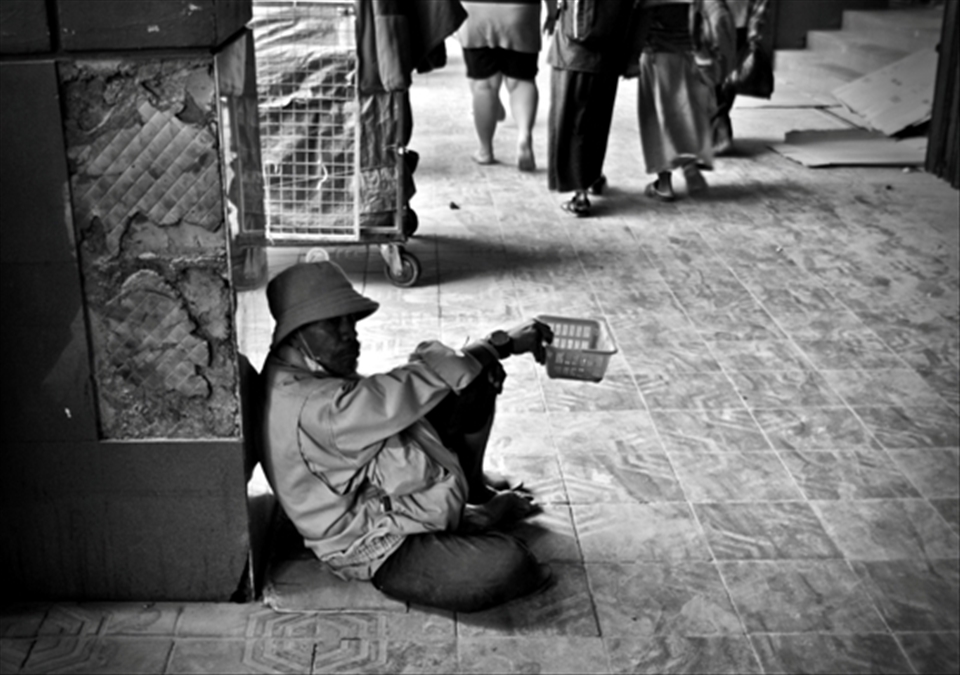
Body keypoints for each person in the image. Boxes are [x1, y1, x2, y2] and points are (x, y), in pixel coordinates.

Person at [259, 261, 556, 612]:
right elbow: (399, 390)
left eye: (351, 321)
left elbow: (405, 390)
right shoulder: (315, 407)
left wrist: (485, 355)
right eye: (332, 324)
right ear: (297, 332)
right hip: (374, 542)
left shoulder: (290, 368)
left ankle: (470, 493)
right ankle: (472, 516)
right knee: (512, 566)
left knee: (470, 378)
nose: (349, 334)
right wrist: (500, 344)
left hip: (384, 497)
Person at [547, 0, 643, 216]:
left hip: (573, 52)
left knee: (572, 122)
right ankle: (592, 176)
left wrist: (551, 13)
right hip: (609, 51)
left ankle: (580, 195)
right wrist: (632, 55)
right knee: (598, 118)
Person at [636, 0, 735, 201]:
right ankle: (689, 166)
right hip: (694, 51)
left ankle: (664, 183)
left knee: (657, 116)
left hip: (657, 51)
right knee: (688, 112)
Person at [457, 0, 558, 170]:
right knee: (522, 81)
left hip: (475, 11)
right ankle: (524, 135)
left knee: (484, 85)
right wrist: (552, 13)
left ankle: (485, 150)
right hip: (521, 10)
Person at [711, 0, 770, 155]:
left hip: (719, 22)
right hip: (735, 23)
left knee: (722, 80)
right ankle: (719, 132)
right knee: (725, 79)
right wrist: (755, 27)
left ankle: (720, 133)